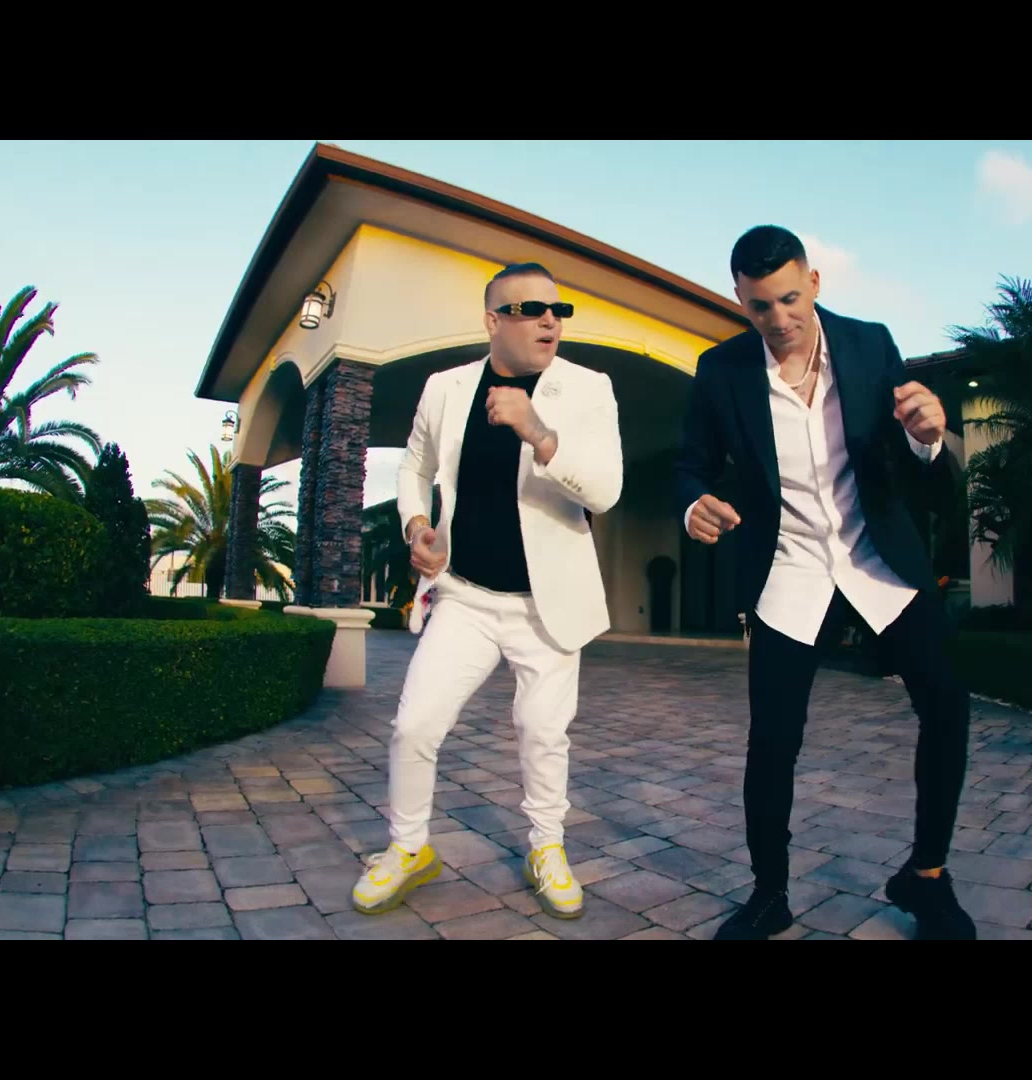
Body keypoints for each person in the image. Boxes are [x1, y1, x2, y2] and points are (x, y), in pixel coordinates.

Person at [676, 225, 978, 940]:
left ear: (813, 283)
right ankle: (769, 894)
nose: (778, 318)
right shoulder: (720, 371)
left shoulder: (870, 345)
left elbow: (916, 471)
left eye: (789, 298)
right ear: (740, 300)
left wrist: (928, 439)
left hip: (878, 559)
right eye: (759, 306)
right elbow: (690, 466)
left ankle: (927, 876)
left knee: (946, 703)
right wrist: (694, 506)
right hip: (789, 567)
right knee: (773, 741)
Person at [350, 262, 622, 921]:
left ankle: (546, 848)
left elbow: (606, 491)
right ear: (493, 321)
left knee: (542, 731)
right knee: (415, 724)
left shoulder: (588, 389)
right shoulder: (446, 389)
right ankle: (408, 848)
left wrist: (540, 433)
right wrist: (417, 525)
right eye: (530, 310)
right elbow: (414, 467)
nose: (550, 320)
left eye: (558, 310)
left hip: (547, 605)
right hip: (466, 595)